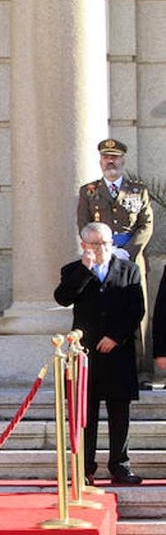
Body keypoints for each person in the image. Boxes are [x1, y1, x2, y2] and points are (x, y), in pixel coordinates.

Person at [55, 222, 144, 485]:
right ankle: (85, 467)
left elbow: (136, 308)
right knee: (86, 413)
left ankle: (120, 465)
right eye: (94, 244)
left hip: (118, 351)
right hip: (86, 353)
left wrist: (116, 336)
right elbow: (63, 297)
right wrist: (85, 270)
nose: (100, 248)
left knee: (119, 412)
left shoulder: (129, 270)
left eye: (105, 243)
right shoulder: (73, 270)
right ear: (84, 245)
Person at [76, 138, 154, 384]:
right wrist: (103, 251)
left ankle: (141, 370)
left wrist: (127, 251)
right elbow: (83, 224)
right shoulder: (89, 191)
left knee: (134, 309)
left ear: (123, 160)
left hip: (131, 258)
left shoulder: (137, 190)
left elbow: (146, 225)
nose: (111, 162)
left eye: (115, 158)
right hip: (101, 257)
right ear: (100, 161)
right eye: (107, 158)